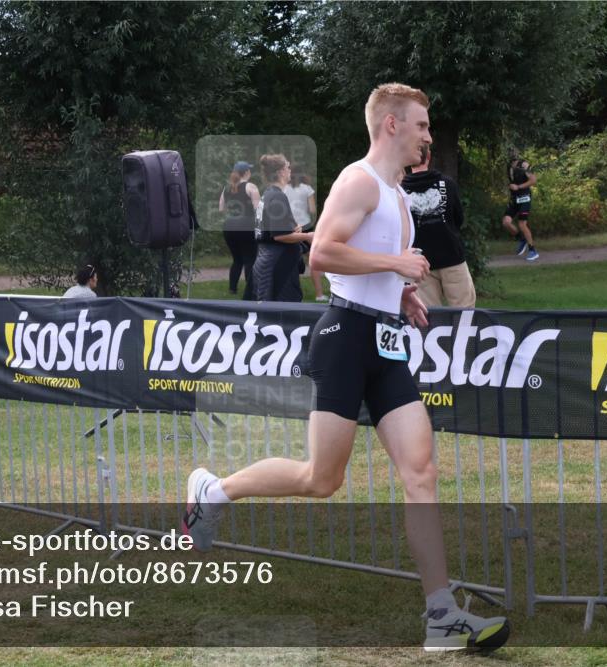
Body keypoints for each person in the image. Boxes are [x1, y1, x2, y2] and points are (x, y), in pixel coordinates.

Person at [183, 83, 510, 653]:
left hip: (386, 344)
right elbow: (322, 253)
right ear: (391, 125)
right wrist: (395, 264)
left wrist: (401, 292)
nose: (428, 135)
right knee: (322, 479)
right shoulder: (358, 180)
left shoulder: (398, 195)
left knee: (421, 473)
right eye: (421, 125)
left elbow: (374, 267)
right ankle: (215, 490)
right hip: (344, 338)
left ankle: (440, 615)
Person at [401, 146, 476, 307]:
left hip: (420, 261)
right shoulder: (447, 183)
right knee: (464, 311)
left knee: (428, 314)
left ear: (408, 158)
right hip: (452, 256)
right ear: (429, 156)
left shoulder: (400, 190)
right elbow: (458, 218)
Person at [252, 154, 314, 302]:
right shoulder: (277, 196)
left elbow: (273, 229)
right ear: (280, 172)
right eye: (287, 167)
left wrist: (294, 229)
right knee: (283, 311)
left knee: (270, 309)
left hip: (269, 261)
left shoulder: (269, 194)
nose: (290, 170)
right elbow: (280, 235)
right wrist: (308, 236)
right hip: (278, 265)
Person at [283, 164, 326, 302]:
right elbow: (312, 210)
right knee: (313, 259)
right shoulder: (307, 189)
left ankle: (292, 292)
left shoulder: (283, 188)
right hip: (306, 226)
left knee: (291, 259)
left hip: (289, 226)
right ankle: (319, 295)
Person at [219, 161, 260, 300]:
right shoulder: (251, 186)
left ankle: (232, 289)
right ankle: (251, 290)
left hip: (229, 226)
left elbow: (221, 209)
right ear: (247, 172)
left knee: (237, 259)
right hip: (247, 225)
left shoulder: (227, 188)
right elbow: (257, 209)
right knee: (250, 259)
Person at [500, 152, 539, 261]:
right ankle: (522, 239)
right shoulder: (509, 166)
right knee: (506, 222)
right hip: (514, 199)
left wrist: (519, 187)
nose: (511, 154)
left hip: (524, 198)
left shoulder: (524, 165)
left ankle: (532, 250)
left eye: (513, 151)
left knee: (522, 224)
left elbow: (533, 180)